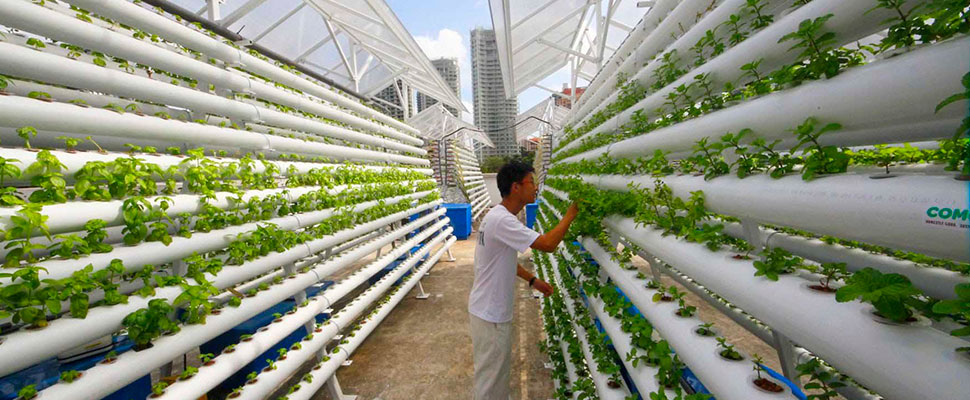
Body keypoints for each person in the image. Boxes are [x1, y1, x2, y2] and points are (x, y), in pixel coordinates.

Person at [468, 161, 579, 400]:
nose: (536, 188)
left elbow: (502, 260)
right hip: (491, 314)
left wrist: (532, 280)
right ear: (516, 187)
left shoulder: (497, 216)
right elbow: (548, 244)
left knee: (495, 377)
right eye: (532, 182)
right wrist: (571, 214)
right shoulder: (503, 221)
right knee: (490, 384)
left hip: (486, 310)